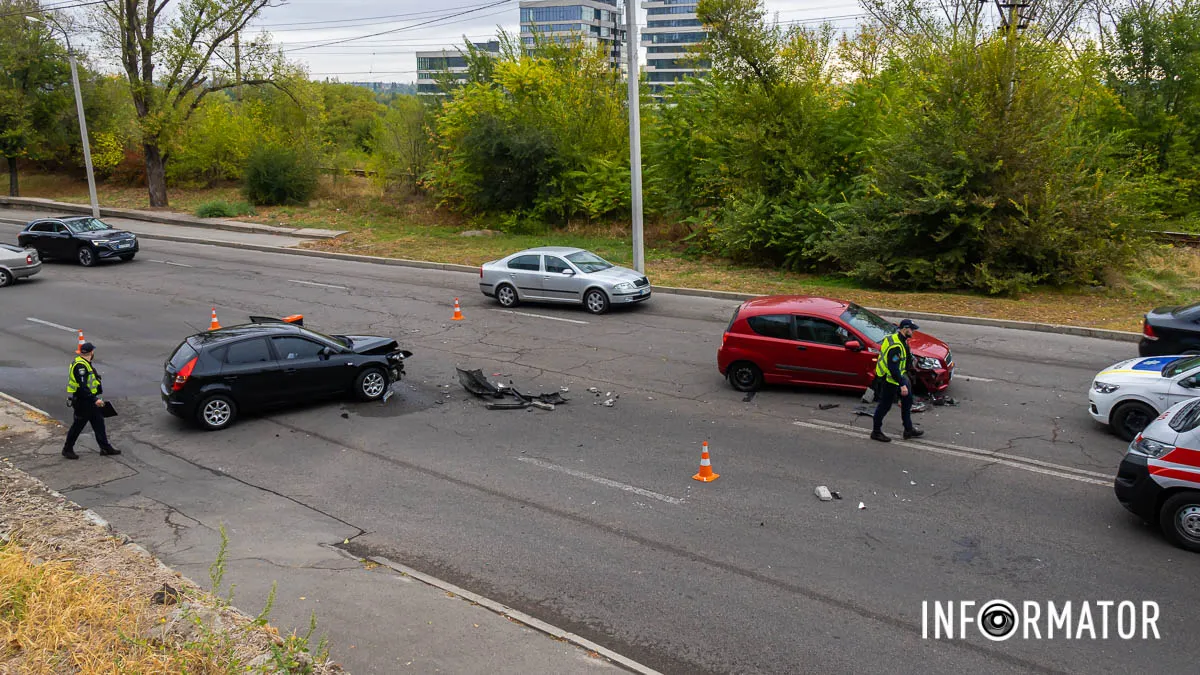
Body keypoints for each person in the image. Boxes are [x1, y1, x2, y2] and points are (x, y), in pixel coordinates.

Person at [63, 342, 121, 459]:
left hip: (89, 401)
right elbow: (82, 387)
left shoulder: (84, 363)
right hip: (84, 402)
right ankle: (67, 449)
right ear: (91, 352)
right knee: (78, 426)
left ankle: (105, 447)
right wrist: (94, 399)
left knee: (99, 423)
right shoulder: (81, 367)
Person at [871, 319, 924, 443]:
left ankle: (908, 429)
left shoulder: (899, 339)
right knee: (885, 406)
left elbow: (904, 358)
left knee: (907, 401)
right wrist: (902, 385)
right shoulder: (896, 346)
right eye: (912, 329)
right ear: (905, 329)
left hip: (899, 376)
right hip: (889, 379)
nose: (913, 331)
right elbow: (893, 368)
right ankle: (876, 432)